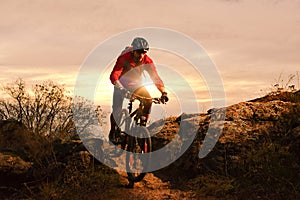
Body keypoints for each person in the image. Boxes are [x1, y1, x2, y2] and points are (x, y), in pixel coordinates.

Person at [109, 37, 169, 144]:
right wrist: (120, 88)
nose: (141, 55)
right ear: (133, 51)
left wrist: (163, 92)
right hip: (120, 84)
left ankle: (142, 128)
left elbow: (155, 78)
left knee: (148, 100)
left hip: (135, 85)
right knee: (117, 110)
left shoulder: (147, 61)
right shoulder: (124, 57)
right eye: (139, 52)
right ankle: (113, 131)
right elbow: (114, 75)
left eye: (144, 52)